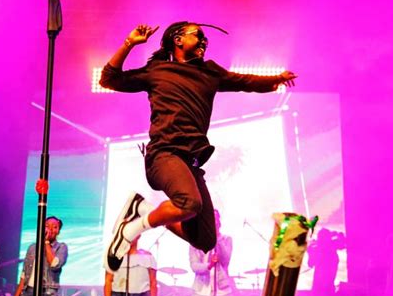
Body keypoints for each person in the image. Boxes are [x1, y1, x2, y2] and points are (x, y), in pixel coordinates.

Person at [100, 22, 297, 272]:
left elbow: (245, 81)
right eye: (198, 35)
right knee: (189, 203)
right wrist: (129, 44)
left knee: (205, 239)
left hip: (191, 164)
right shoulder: (157, 70)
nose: (204, 41)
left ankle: (142, 208)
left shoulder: (210, 72)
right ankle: (129, 230)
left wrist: (277, 79)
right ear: (178, 40)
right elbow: (108, 79)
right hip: (164, 154)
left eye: (205, 38)